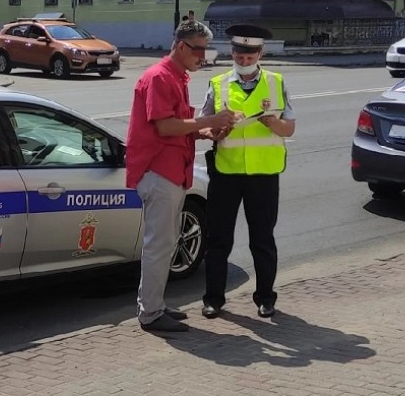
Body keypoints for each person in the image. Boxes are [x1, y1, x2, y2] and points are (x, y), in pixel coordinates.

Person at [126, 19, 242, 333]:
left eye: (206, 49)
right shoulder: (161, 77)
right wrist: (208, 120)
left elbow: (177, 126)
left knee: (166, 243)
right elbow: (165, 126)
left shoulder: (177, 77)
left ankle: (154, 304)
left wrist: (206, 131)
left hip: (172, 171)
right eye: (199, 50)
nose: (203, 57)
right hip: (159, 172)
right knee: (159, 245)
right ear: (181, 46)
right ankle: (150, 313)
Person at [200, 24, 295, 320]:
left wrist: (273, 123)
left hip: (264, 174)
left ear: (261, 53)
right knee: (218, 239)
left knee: (262, 240)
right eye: (240, 54)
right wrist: (216, 130)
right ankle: (214, 299)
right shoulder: (218, 84)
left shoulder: (276, 82)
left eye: (250, 54)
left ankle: (266, 299)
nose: (244, 60)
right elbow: (202, 125)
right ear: (232, 52)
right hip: (226, 173)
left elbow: (289, 127)